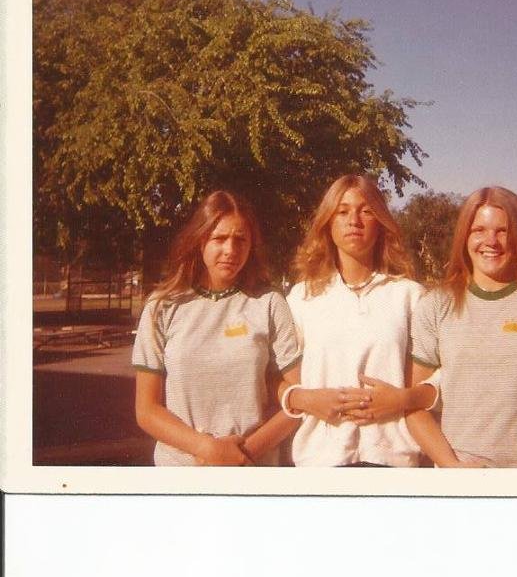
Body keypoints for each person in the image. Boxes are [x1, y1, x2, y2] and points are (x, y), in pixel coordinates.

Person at [407, 185, 517, 468]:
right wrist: (452, 469)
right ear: (464, 236)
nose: (491, 241)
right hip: (457, 479)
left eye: (503, 231)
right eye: (479, 230)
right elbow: (415, 405)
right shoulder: (435, 305)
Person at [133, 190, 301, 466]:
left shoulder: (270, 303)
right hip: (180, 475)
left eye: (240, 240)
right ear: (200, 240)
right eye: (219, 238)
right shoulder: (161, 307)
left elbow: (297, 400)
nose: (231, 250)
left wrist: (242, 455)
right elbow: (147, 409)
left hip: (252, 471)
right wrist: (207, 448)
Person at [282, 174, 437, 467]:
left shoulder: (410, 296)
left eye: (366, 211)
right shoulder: (301, 298)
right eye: (342, 212)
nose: (354, 220)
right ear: (328, 223)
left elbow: (433, 382)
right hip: (321, 462)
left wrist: (400, 400)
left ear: (381, 223)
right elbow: (279, 380)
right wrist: (308, 400)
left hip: (392, 461)